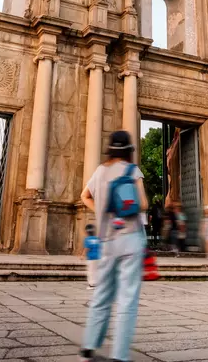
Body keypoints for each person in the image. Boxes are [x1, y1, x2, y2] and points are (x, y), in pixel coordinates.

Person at [78, 131, 148, 362]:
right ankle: (119, 355)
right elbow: (144, 204)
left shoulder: (100, 172)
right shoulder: (132, 170)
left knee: (101, 293)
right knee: (127, 297)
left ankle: (89, 344)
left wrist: (100, 211)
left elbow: (84, 196)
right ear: (128, 150)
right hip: (132, 238)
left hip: (106, 238)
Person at [84, 223, 101, 289]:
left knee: (90, 271)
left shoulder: (87, 239)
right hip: (98, 257)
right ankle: (96, 283)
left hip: (91, 258)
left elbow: (87, 248)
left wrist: (82, 255)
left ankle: (91, 285)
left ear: (87, 232)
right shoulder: (97, 239)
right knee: (96, 271)